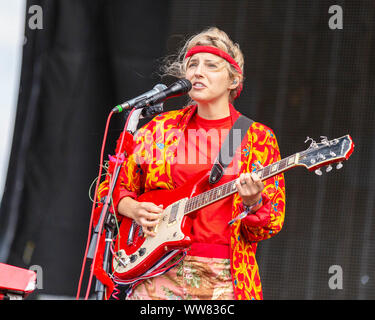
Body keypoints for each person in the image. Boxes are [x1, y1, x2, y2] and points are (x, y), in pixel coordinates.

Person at [96, 27, 285, 300]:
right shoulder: (160, 129)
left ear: (233, 81)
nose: (198, 72)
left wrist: (253, 203)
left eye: (211, 66)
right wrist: (133, 208)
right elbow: (111, 188)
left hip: (222, 276)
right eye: (192, 64)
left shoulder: (254, 137)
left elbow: (270, 222)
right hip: (157, 270)